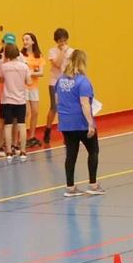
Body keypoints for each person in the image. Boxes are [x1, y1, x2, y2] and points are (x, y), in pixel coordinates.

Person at [55, 48, 101, 196]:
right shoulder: (83, 82)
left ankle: (70, 187)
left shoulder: (60, 80)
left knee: (71, 154)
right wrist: (90, 123)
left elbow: (57, 100)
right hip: (80, 122)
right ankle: (93, 184)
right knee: (93, 150)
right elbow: (84, 104)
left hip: (66, 123)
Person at [0, 38, 31, 158]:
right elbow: (29, 81)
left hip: (7, 100)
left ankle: (8, 151)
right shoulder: (24, 67)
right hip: (20, 100)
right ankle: (22, 150)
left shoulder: (4, 67)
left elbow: (0, 79)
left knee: (8, 125)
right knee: (22, 125)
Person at [45, 27, 74, 148]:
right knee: (54, 107)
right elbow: (57, 64)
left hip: (67, 82)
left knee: (65, 109)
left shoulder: (72, 51)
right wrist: (62, 51)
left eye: (64, 40)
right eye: (59, 40)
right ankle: (48, 129)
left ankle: (66, 134)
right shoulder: (52, 51)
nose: (62, 42)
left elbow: (72, 66)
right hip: (55, 82)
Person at [21, 32, 46, 150]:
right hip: (23, 87)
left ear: (33, 41)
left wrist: (31, 73)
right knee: (25, 113)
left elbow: (41, 72)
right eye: (23, 40)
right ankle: (22, 137)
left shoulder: (38, 56)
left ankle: (31, 136)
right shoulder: (21, 55)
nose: (25, 42)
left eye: (27, 39)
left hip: (34, 87)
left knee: (35, 112)